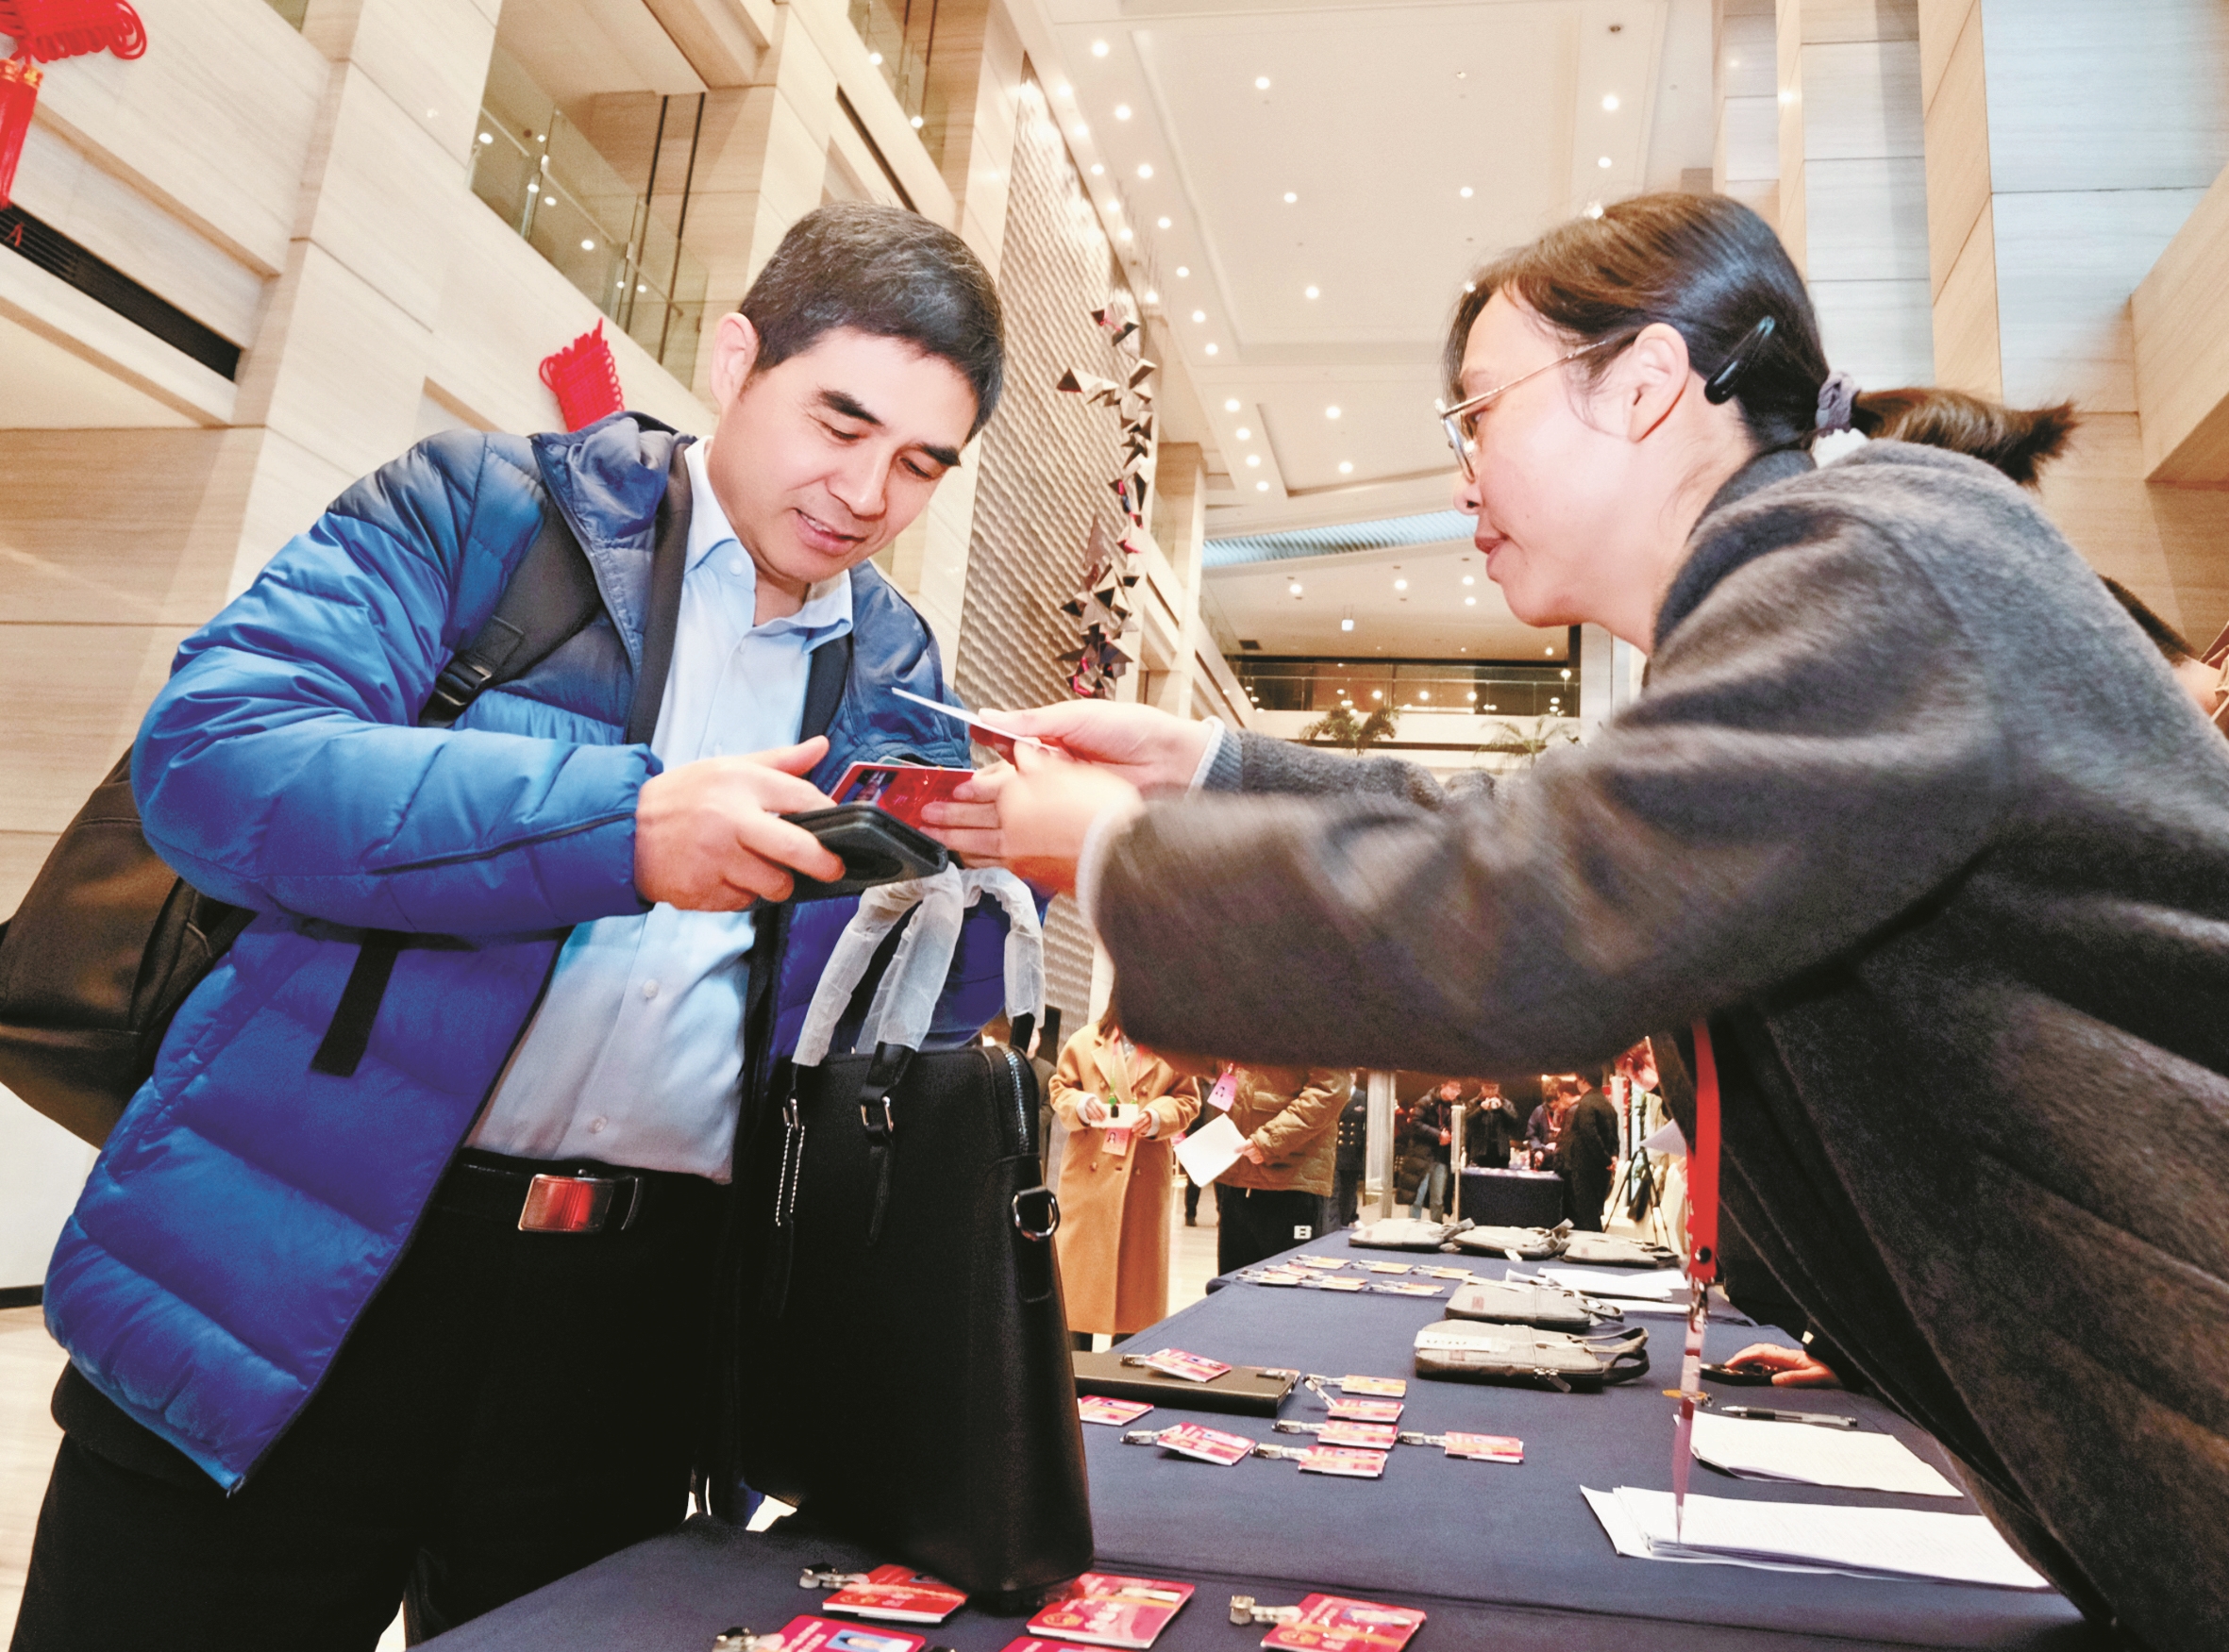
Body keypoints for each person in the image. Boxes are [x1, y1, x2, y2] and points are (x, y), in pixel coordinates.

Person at [928, 192, 2229, 1651]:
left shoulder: (1866, 561)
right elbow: (1542, 827)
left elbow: (1532, 913)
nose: (1463, 471)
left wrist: (1114, 851)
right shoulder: (1821, 572)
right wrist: (1210, 771)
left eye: (1479, 410)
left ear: (1648, 382)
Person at [15, 203, 1013, 1652]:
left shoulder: (899, 676)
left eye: (919, 462)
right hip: (295, 1259)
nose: (864, 492)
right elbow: (217, 759)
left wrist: (1011, 878)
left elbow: (883, 1035)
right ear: (736, 359)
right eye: (839, 421)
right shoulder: (480, 511)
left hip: (632, 1336)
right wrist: (622, 828)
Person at [1046, 1012, 1199, 1347]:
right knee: (1078, 1291)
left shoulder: (1172, 1049)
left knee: (1137, 1295)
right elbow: (1059, 1088)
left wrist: (1158, 1116)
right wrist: (1081, 1104)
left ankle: (1125, 1368)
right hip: (1087, 1179)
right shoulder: (1085, 1041)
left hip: (1143, 1178)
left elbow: (1188, 1100)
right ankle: (1072, 1370)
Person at [1206, 1066, 1352, 1273]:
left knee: (1287, 1284)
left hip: (1292, 1180)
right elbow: (1206, 1060)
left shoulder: (1321, 1042)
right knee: (1232, 1284)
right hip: (1238, 1175)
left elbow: (1331, 1089)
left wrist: (1270, 1140)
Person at [1399, 1079, 1461, 1220]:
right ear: (1443, 1086)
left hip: (1442, 1157)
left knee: (1438, 1199)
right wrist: (1438, 1135)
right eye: (1453, 1088)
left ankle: (1437, 1226)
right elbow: (1415, 1123)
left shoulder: (1455, 1105)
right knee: (1417, 1197)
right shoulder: (1426, 1102)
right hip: (1422, 1155)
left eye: (1458, 1089)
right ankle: (1413, 1227)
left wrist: (1450, 1134)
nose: (1455, 1092)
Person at [1465, 1078, 1525, 1172]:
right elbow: (1468, 1122)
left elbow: (1515, 1123)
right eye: (1487, 1087)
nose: (1490, 1091)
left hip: (1501, 1153)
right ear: (1482, 1087)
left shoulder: (1506, 1104)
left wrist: (1501, 1109)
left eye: (1493, 1088)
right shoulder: (1473, 1103)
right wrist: (1480, 1109)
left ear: (1498, 1088)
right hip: (1479, 1152)